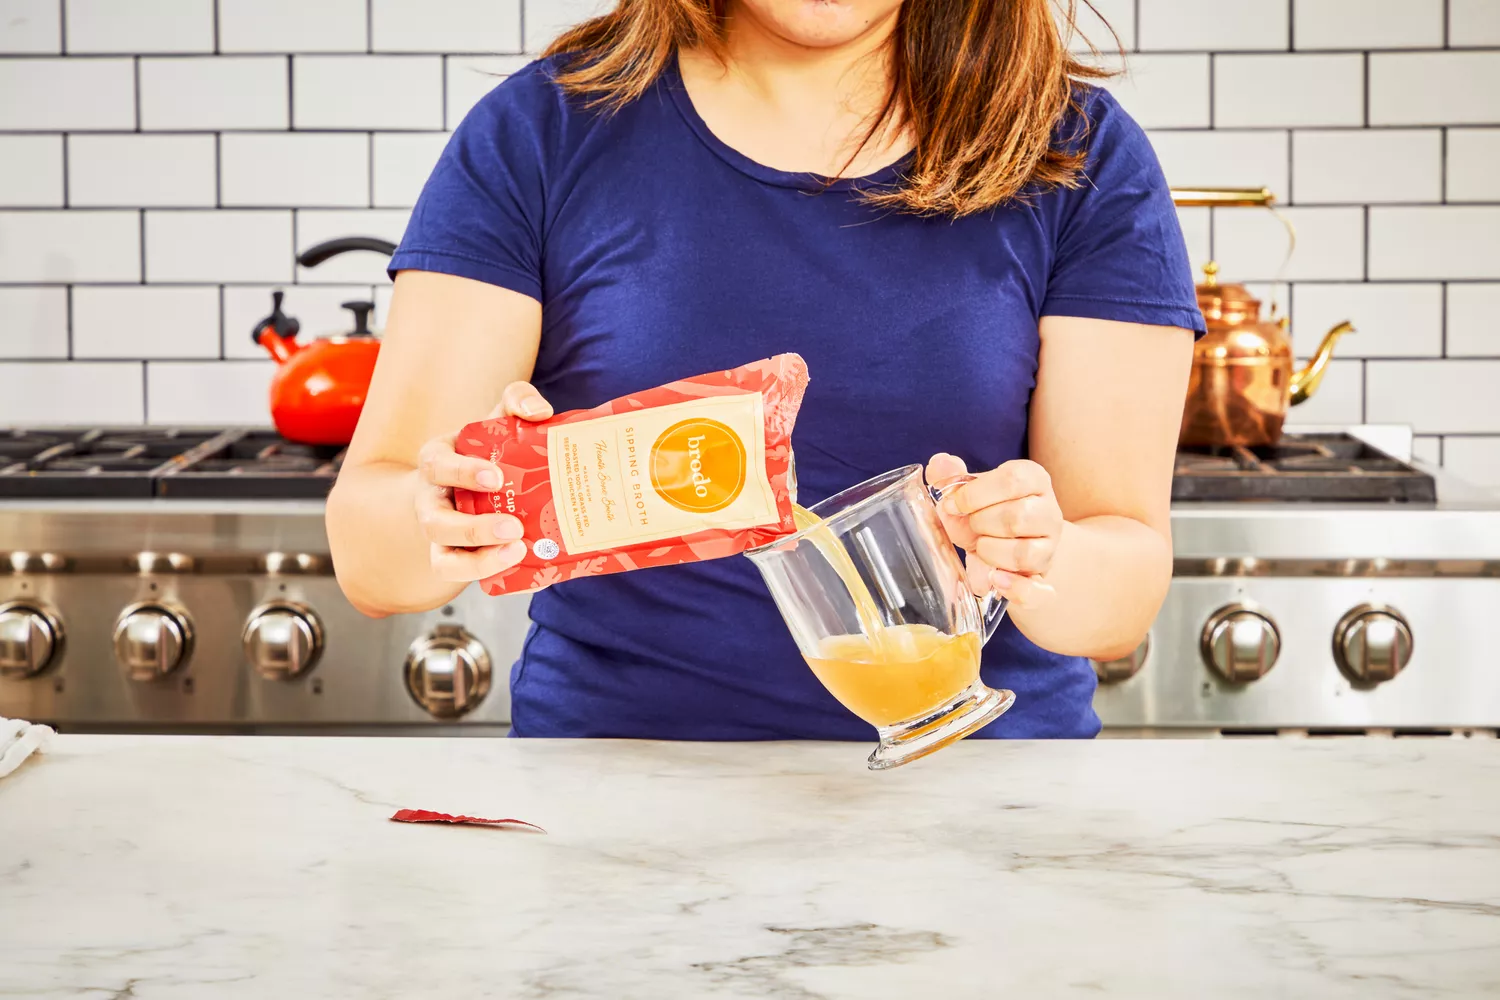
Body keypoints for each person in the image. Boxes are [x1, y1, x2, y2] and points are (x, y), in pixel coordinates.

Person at [325, 0, 1201, 740]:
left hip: (984, 800)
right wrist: (447, 513)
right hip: (616, 799)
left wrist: (1045, 554)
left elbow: (1122, 586)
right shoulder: (542, 131)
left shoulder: (1079, 153)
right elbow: (371, 560)